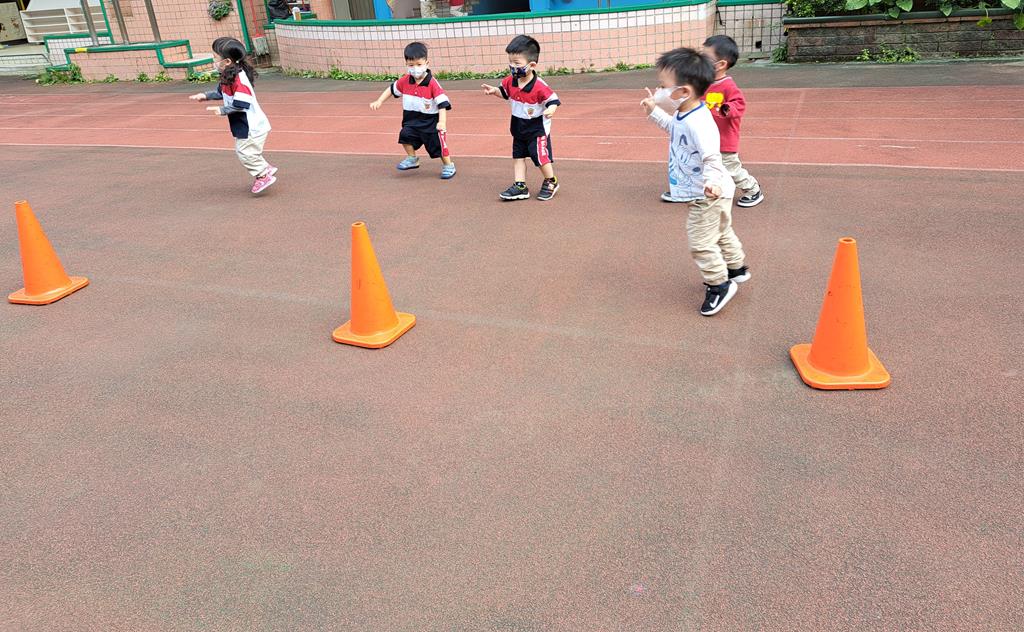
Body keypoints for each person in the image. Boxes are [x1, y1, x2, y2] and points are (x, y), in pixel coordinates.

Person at [642, 47, 750, 316]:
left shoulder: (698, 122)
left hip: (708, 193)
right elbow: (673, 129)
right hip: (712, 190)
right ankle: (736, 268)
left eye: (663, 86)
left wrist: (711, 182)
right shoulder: (684, 113)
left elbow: (712, 155)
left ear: (684, 91)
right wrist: (654, 111)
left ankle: (719, 284)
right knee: (721, 230)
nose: (659, 90)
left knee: (700, 242)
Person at [189, 37, 276, 194]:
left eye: (215, 57)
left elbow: (241, 104)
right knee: (247, 151)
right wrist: (205, 95)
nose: (213, 60)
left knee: (244, 152)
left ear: (227, 61)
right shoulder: (229, 75)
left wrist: (222, 110)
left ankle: (263, 175)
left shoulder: (239, 80)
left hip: (252, 126)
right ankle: (265, 167)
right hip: (244, 124)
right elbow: (220, 92)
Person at [482, 35, 561, 201]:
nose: (512, 67)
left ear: (531, 65)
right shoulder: (510, 81)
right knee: (518, 157)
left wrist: (551, 109)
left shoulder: (539, 86)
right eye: (510, 62)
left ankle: (551, 181)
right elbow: (504, 93)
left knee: (540, 158)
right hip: (518, 128)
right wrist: (494, 91)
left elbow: (553, 100)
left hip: (536, 130)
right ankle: (520, 186)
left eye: (517, 63)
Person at [370, 41, 456, 179]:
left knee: (438, 146)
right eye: (411, 65)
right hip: (412, 120)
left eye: (419, 64)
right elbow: (391, 89)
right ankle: (412, 158)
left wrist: (442, 122)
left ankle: (448, 165)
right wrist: (379, 100)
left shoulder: (432, 83)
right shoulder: (405, 80)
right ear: (406, 64)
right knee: (405, 135)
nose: (415, 68)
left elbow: (442, 104)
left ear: (427, 63)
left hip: (430, 123)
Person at [703, 35, 763, 208]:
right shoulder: (703, 82)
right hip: (707, 138)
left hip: (724, 139)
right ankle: (704, 189)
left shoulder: (728, 86)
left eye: (705, 58)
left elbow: (739, 104)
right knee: (704, 165)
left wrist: (726, 108)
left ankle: (752, 189)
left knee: (730, 168)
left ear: (721, 64)